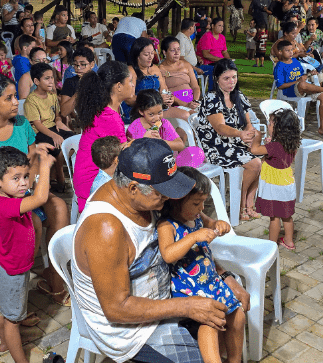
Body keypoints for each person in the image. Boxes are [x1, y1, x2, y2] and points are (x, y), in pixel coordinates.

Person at [73, 138, 222, 363]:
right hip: (131, 331)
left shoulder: (144, 200)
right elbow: (117, 309)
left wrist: (222, 274)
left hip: (165, 299)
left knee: (224, 317)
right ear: (133, 188)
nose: (169, 198)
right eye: (162, 193)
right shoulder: (106, 228)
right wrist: (187, 306)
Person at [0, 73, 70, 305]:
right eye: (9, 98)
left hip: (20, 188)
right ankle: (13, 301)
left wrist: (34, 185)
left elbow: (32, 160)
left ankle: (55, 282)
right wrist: (14, 202)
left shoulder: (21, 125)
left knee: (58, 206)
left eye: (15, 96)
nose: (16, 102)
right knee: (28, 224)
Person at [157, 167, 247, 363]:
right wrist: (193, 238)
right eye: (196, 203)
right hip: (189, 289)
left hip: (210, 282)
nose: (201, 208)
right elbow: (168, 254)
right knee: (210, 323)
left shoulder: (197, 217)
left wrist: (219, 225)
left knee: (238, 315)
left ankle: (234, 359)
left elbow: (211, 223)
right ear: (175, 201)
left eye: (203, 203)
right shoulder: (167, 225)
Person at [0, 146, 52, 363]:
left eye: (25, 176)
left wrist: (33, 157)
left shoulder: (12, 199)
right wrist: (46, 165)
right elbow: (41, 197)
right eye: (16, 178)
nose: (24, 182)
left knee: (3, 308)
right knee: (12, 320)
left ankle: (5, 342)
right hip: (12, 270)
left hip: (9, 265)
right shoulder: (6, 206)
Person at [197, 59, 262, 221]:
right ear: (217, 79)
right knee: (255, 163)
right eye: (227, 78)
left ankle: (249, 203)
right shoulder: (211, 98)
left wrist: (250, 134)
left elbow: (247, 123)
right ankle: (240, 203)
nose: (231, 81)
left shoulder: (238, 96)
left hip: (235, 142)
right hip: (217, 145)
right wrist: (241, 135)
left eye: (234, 77)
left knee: (264, 154)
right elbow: (219, 127)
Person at [74, 61, 133, 212]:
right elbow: (123, 155)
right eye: (130, 81)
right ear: (118, 86)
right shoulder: (108, 116)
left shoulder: (107, 110)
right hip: (93, 183)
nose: (133, 85)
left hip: (94, 175)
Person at [249, 108, 300, 249]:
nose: (268, 126)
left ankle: (271, 246)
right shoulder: (291, 143)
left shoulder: (273, 146)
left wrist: (257, 138)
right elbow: (279, 154)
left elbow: (255, 150)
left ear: (279, 129)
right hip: (287, 182)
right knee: (287, 215)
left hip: (274, 184)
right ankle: (289, 241)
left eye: (270, 124)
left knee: (274, 217)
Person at [274, 40, 323, 139]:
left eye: (291, 50)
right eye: (287, 50)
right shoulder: (279, 66)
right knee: (302, 84)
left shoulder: (295, 61)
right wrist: (297, 81)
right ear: (280, 52)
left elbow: (302, 76)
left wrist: (310, 73)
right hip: (290, 91)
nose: (291, 52)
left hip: (304, 88)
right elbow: (280, 86)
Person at [25, 62, 75, 189]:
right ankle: (60, 181)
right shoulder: (31, 100)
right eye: (47, 78)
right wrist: (54, 135)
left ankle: (54, 175)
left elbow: (57, 115)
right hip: (39, 133)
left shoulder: (52, 95)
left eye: (52, 77)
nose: (51, 81)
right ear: (36, 81)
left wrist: (58, 122)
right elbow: (37, 124)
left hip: (53, 128)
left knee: (73, 140)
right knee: (59, 148)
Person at [128, 89, 203, 167]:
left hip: (165, 165)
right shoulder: (135, 127)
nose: (157, 118)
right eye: (151, 114)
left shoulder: (164, 123)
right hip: (143, 168)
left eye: (160, 112)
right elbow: (131, 153)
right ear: (141, 112)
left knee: (196, 153)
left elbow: (180, 145)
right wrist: (145, 140)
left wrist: (161, 141)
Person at [124, 38, 187, 123]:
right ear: (137, 55)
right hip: (140, 111)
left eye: (152, 53)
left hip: (157, 108)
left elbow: (164, 90)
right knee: (184, 116)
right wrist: (155, 100)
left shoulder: (155, 68)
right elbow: (129, 99)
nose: (150, 57)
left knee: (191, 114)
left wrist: (169, 98)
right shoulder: (131, 71)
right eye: (146, 54)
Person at [158, 36, 202, 111]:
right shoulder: (161, 69)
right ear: (165, 52)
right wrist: (186, 105)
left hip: (193, 103)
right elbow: (165, 93)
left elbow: (195, 87)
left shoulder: (186, 65)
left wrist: (195, 101)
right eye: (172, 50)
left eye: (178, 49)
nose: (177, 52)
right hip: (175, 104)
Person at [196, 18, 231, 90]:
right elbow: (206, 54)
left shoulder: (222, 37)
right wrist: (221, 60)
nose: (222, 28)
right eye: (219, 25)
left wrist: (228, 60)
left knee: (232, 69)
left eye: (222, 26)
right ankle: (213, 92)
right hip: (208, 63)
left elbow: (224, 52)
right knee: (219, 70)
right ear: (213, 26)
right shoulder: (207, 36)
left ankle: (227, 91)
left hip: (220, 62)